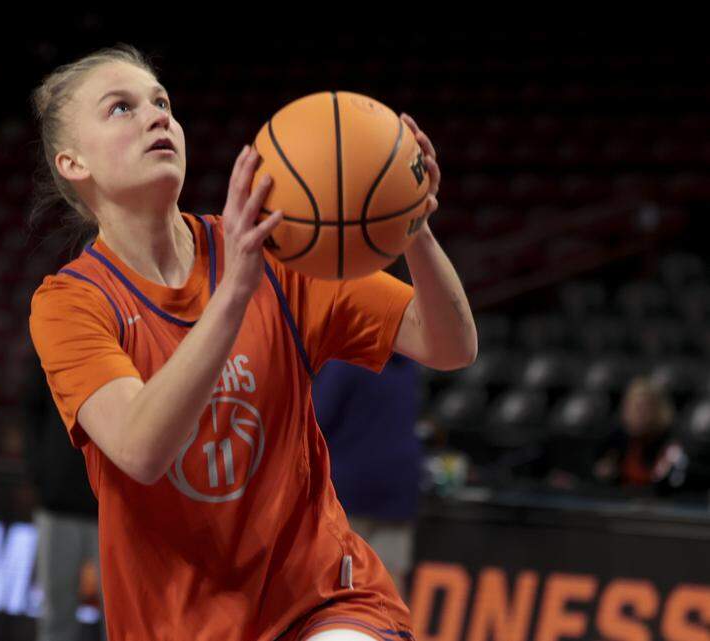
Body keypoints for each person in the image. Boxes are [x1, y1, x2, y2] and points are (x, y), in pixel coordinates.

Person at [28, 45, 477, 641]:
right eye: (121, 108)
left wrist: (411, 222)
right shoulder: (71, 303)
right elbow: (140, 447)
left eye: (162, 103)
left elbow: (450, 345)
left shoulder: (275, 251)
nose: (156, 117)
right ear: (73, 163)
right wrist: (235, 292)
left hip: (322, 597)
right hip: (178, 622)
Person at [312, 354, 422, 597]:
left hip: (350, 487)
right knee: (390, 587)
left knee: (339, 585)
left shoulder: (346, 361)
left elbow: (315, 419)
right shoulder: (409, 363)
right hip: (399, 485)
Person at [21, 358, 104, 641]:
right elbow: (30, 410)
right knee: (56, 615)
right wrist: (37, 471)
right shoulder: (50, 347)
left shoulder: (127, 338)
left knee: (121, 617)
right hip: (57, 500)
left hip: (112, 507)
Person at [593, 376, 675, 489]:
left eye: (644, 408)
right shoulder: (615, 438)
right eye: (633, 406)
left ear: (659, 411)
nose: (638, 414)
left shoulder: (669, 442)